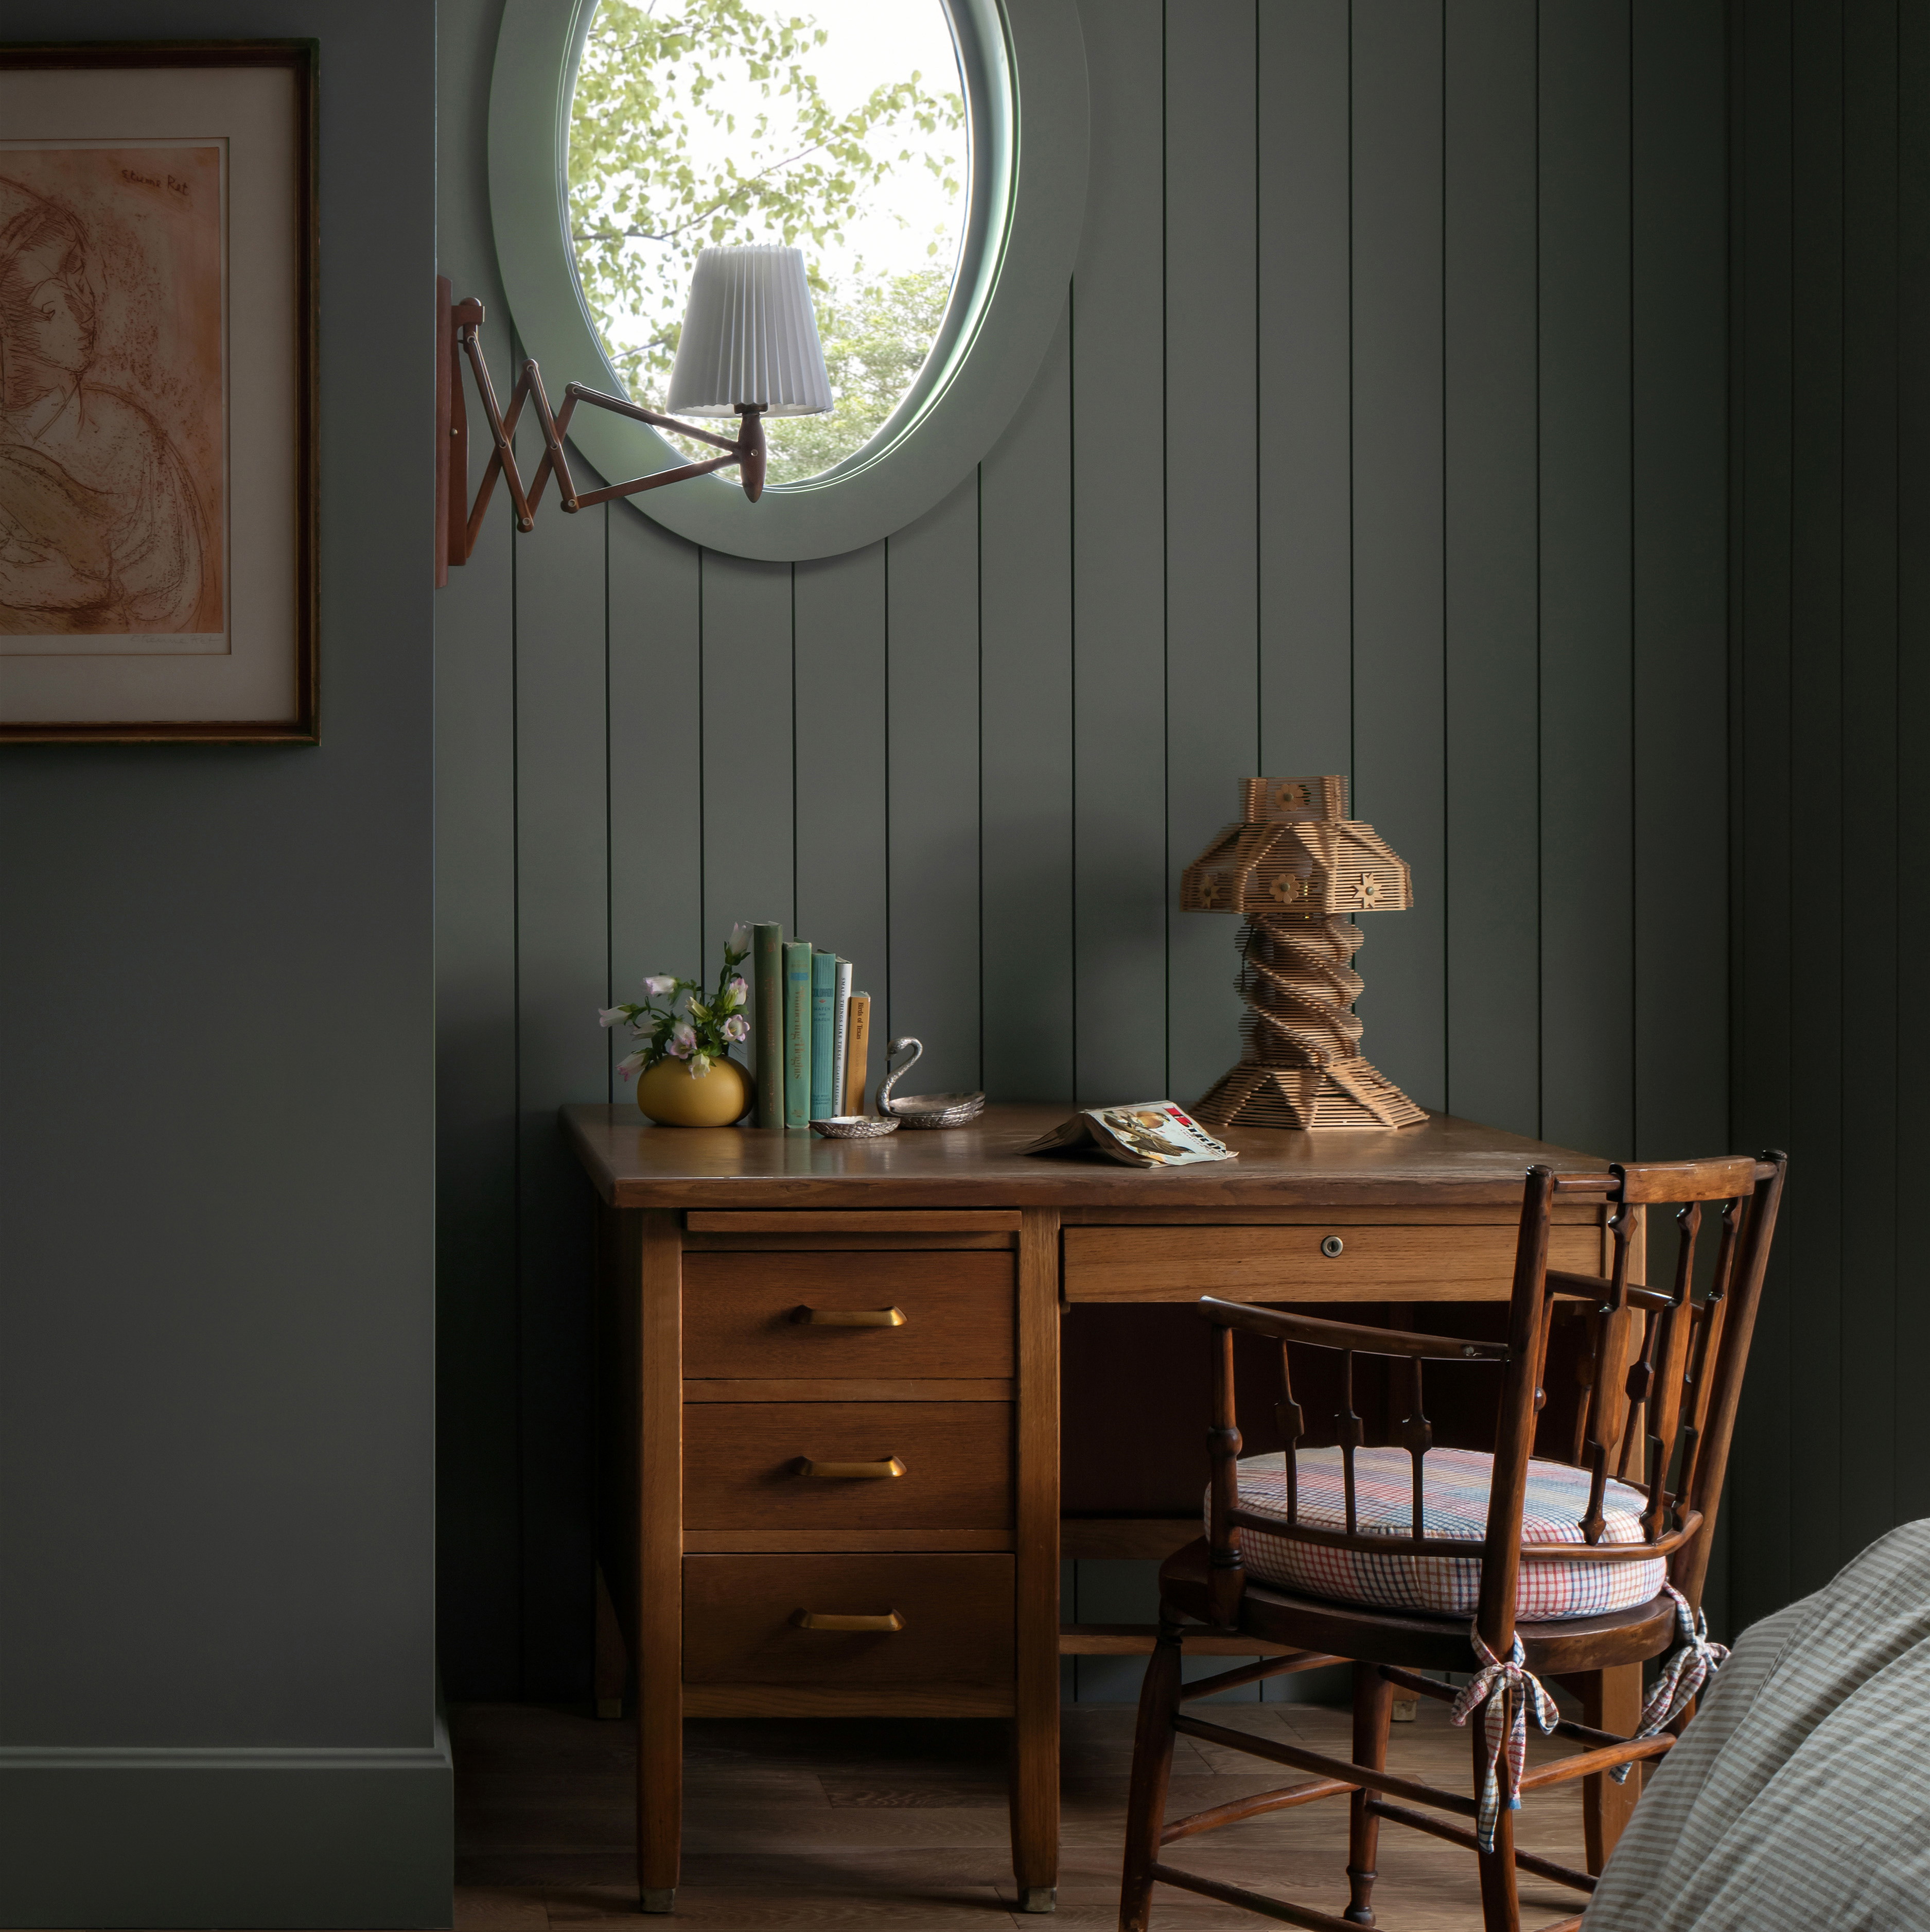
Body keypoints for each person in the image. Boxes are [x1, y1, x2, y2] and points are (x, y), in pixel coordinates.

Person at [0, 176, 213, 636]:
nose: (83, 306)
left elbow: (172, 609)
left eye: (77, 274)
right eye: (47, 306)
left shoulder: (129, 441)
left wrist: (83, 591)